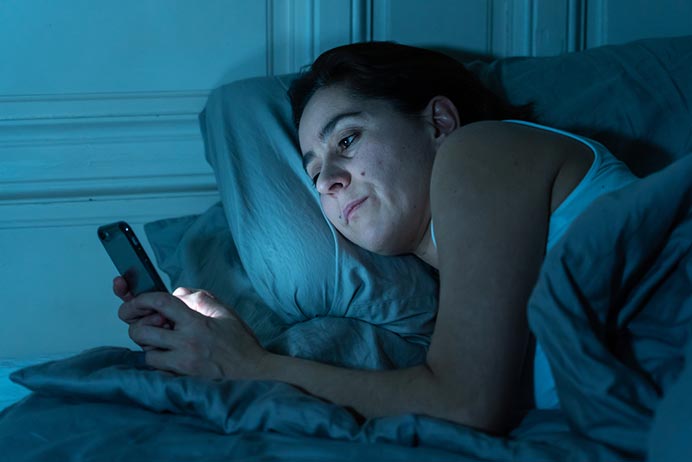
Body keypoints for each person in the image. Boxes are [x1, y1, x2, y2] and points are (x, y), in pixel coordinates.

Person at [113, 42, 636, 434]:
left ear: (439, 122)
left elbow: (466, 403)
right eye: (313, 172)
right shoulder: (451, 292)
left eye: (347, 138)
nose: (329, 180)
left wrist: (252, 367)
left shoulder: (480, 151)